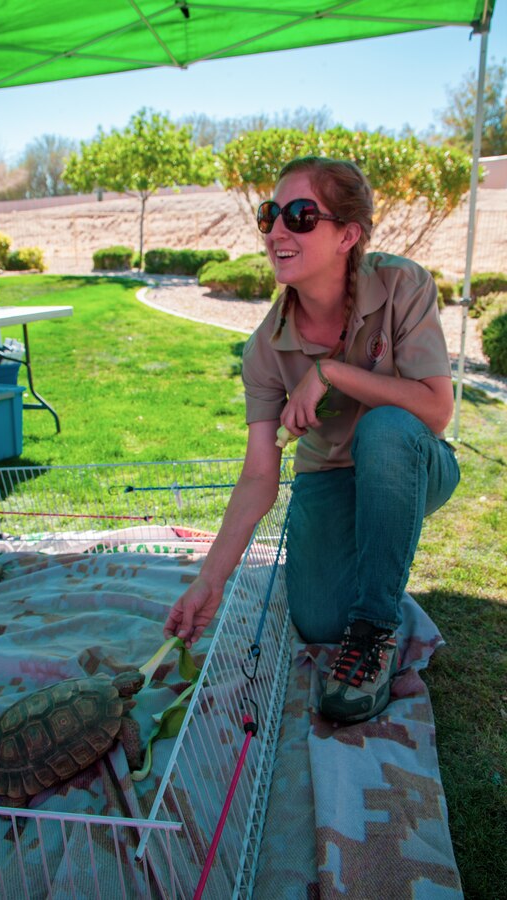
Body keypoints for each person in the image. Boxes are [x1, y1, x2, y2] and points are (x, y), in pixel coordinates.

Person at [164, 156, 460, 725]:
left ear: (348, 235)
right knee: (321, 621)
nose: (277, 229)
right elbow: (258, 475)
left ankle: (375, 630)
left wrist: (333, 373)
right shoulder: (264, 350)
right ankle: (370, 579)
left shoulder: (403, 284)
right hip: (327, 478)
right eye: (270, 214)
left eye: (300, 215)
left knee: (387, 428)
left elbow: (437, 411)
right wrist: (210, 580)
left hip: (412, 461)